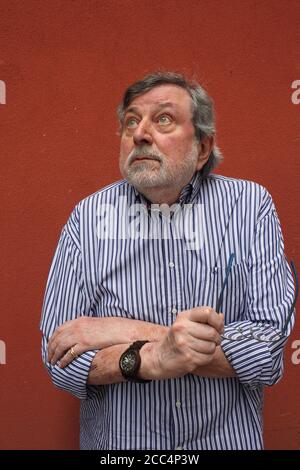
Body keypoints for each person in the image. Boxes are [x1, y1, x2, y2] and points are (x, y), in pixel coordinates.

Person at [40, 71, 295, 450]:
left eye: (163, 119)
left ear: (203, 148)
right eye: (131, 120)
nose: (140, 133)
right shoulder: (88, 218)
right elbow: (60, 357)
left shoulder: (250, 207)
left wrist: (125, 331)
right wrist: (149, 361)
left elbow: (266, 350)